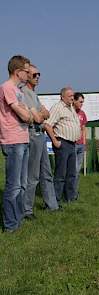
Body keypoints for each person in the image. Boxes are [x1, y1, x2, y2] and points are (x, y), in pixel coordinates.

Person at [22, 64, 59, 219]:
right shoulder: (24, 92)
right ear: (26, 75)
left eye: (39, 74)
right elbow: (38, 117)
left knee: (46, 172)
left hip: (40, 135)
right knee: (33, 176)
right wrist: (41, 114)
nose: (38, 77)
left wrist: (41, 114)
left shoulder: (33, 94)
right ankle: (27, 210)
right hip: (33, 135)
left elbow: (47, 113)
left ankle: (52, 205)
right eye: (34, 74)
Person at [0, 55, 33, 232]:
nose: (28, 74)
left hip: (23, 139)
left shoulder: (19, 90)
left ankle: (18, 220)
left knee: (21, 184)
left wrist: (27, 114)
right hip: (13, 141)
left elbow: (28, 114)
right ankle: (10, 225)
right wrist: (27, 115)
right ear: (17, 71)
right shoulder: (7, 88)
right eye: (26, 71)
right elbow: (25, 115)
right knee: (13, 185)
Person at [44, 87, 80, 203]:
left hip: (71, 144)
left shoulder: (71, 108)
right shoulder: (58, 107)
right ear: (62, 97)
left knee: (71, 173)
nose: (72, 98)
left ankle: (70, 197)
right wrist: (54, 141)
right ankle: (56, 199)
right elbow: (47, 125)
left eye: (73, 96)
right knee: (60, 174)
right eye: (69, 96)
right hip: (62, 143)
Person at [73, 92, 88, 199]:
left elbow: (83, 128)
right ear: (74, 100)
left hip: (80, 145)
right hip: (71, 145)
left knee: (77, 171)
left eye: (83, 102)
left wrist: (84, 142)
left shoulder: (82, 113)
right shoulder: (70, 112)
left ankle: (75, 191)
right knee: (72, 170)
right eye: (80, 102)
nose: (82, 104)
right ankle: (69, 192)